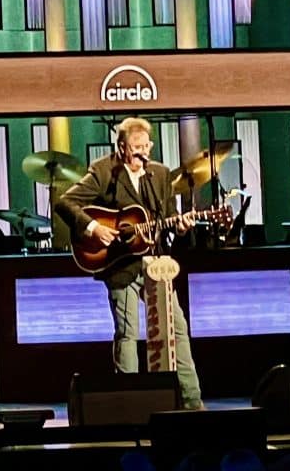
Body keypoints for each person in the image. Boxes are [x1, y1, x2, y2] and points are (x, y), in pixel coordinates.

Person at [54, 117, 204, 410]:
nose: (142, 153)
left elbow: (168, 218)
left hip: (157, 266)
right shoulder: (103, 171)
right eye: (136, 148)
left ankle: (191, 401)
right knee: (128, 333)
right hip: (120, 265)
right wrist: (94, 227)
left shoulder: (160, 173)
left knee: (177, 329)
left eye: (146, 146)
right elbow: (65, 203)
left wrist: (181, 226)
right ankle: (130, 403)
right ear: (121, 147)